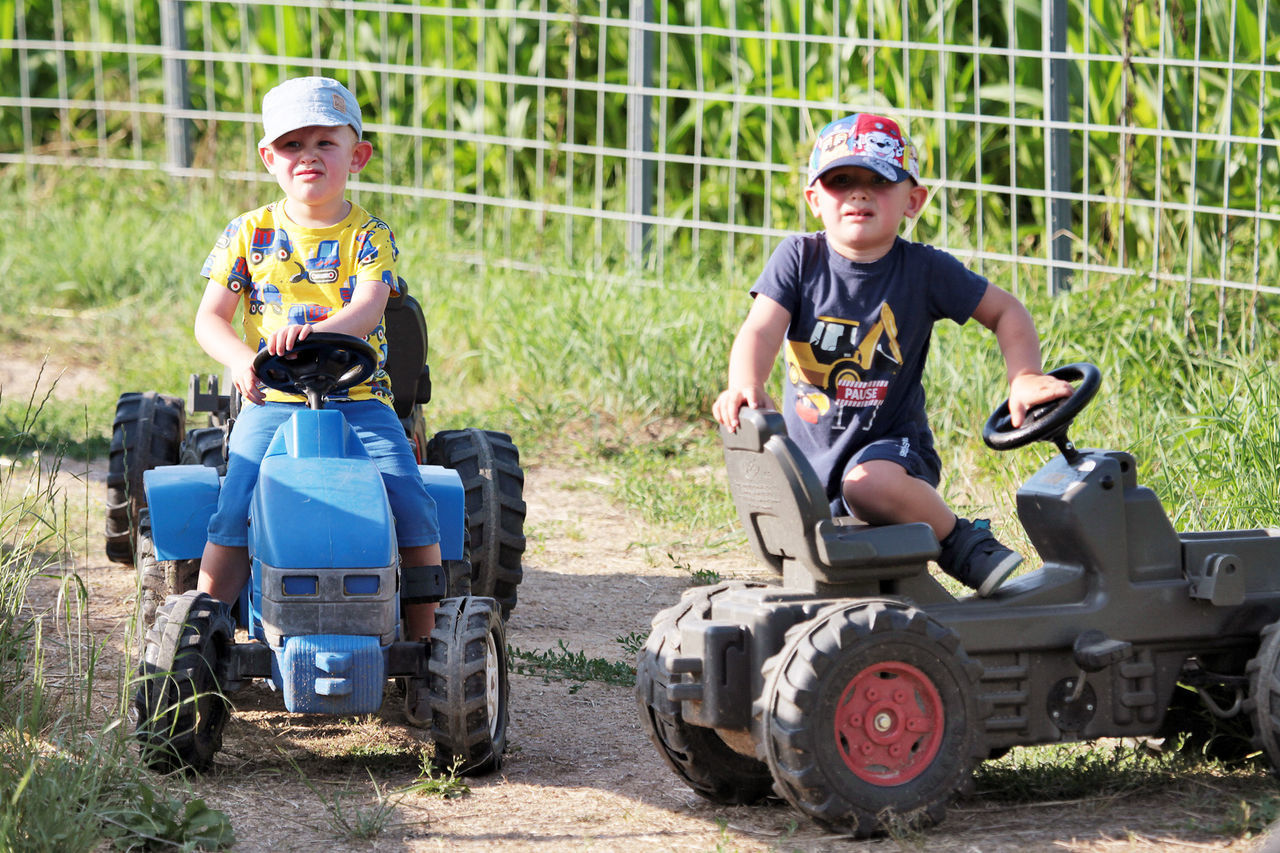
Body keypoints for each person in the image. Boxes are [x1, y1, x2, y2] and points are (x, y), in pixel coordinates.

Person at [712, 113, 1072, 596]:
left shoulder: (924, 270)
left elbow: (1007, 311)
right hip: (811, 457)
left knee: (867, 485)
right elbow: (760, 329)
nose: (859, 194)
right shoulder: (798, 259)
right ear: (815, 200)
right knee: (806, 527)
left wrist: (1024, 376)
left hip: (892, 450)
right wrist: (745, 383)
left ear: (913, 201)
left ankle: (961, 541)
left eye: (878, 181)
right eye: (841, 181)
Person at [194, 76, 443, 645]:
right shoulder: (248, 233)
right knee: (236, 499)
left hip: (361, 401)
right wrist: (242, 359)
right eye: (292, 145)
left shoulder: (369, 235)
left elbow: (367, 308)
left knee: (409, 496)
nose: (308, 156)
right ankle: (205, 629)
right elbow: (210, 318)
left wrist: (311, 334)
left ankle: (426, 643)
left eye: (324, 143)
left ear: (356, 156)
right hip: (274, 401)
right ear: (269, 158)